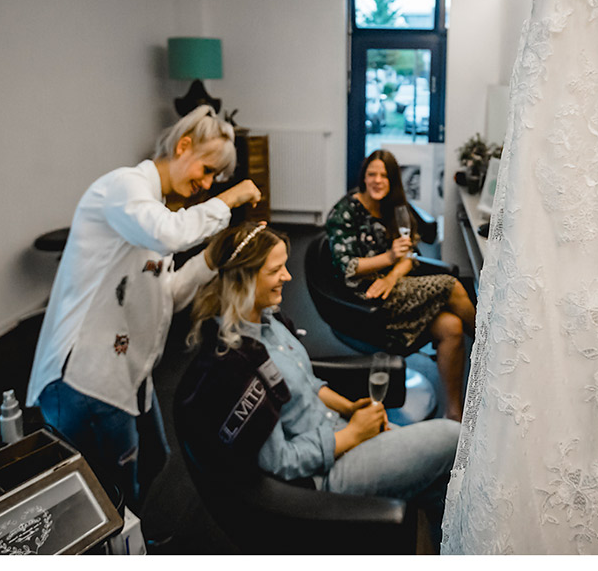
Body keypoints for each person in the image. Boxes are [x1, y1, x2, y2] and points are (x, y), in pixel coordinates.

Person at [26, 105, 261, 511]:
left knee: (154, 459)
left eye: (214, 180)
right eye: (205, 170)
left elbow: (165, 294)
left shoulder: (156, 209)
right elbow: (169, 234)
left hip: (132, 371)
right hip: (86, 376)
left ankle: (129, 538)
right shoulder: (124, 188)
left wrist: (210, 260)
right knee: (106, 492)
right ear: (183, 146)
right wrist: (231, 196)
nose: (205, 184)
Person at [187, 222, 460, 548]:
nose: (288, 277)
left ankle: (453, 547)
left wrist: (350, 409)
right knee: (453, 438)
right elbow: (280, 462)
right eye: (276, 270)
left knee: (440, 481)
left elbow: (307, 381)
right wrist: (353, 434)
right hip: (322, 475)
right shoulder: (233, 367)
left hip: (340, 429)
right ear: (243, 279)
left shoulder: (267, 319)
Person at [326, 149, 476, 421]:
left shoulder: (393, 208)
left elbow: (409, 256)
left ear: (393, 179)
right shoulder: (345, 211)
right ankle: (489, 343)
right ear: (363, 177)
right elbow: (347, 265)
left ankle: (454, 415)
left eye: (384, 175)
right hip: (362, 297)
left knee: (452, 327)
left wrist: (391, 275)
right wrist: (388, 259)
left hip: (391, 286)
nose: (377, 180)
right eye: (372, 174)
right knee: (450, 285)